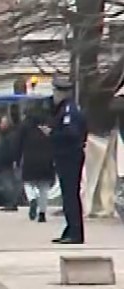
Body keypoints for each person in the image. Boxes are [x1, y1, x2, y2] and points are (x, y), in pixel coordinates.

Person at [44, 77, 87, 244]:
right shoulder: (64, 109)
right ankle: (70, 229)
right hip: (66, 155)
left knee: (70, 194)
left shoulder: (69, 110)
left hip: (70, 156)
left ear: (62, 93)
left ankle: (75, 233)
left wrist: (52, 134)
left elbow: (72, 133)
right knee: (68, 194)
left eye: (56, 91)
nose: (54, 94)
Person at [18, 102, 56, 223]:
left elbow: (18, 143)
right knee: (44, 188)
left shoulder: (25, 125)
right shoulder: (49, 123)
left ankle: (32, 198)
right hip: (46, 159)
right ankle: (42, 214)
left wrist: (17, 158)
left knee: (28, 183)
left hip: (30, 158)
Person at [0, 114, 22, 211]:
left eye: (2, 123)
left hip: (8, 163)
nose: (0, 125)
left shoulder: (10, 135)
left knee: (9, 184)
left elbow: (12, 149)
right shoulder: (3, 135)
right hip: (4, 162)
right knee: (8, 184)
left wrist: (13, 160)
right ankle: (11, 203)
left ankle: (11, 203)